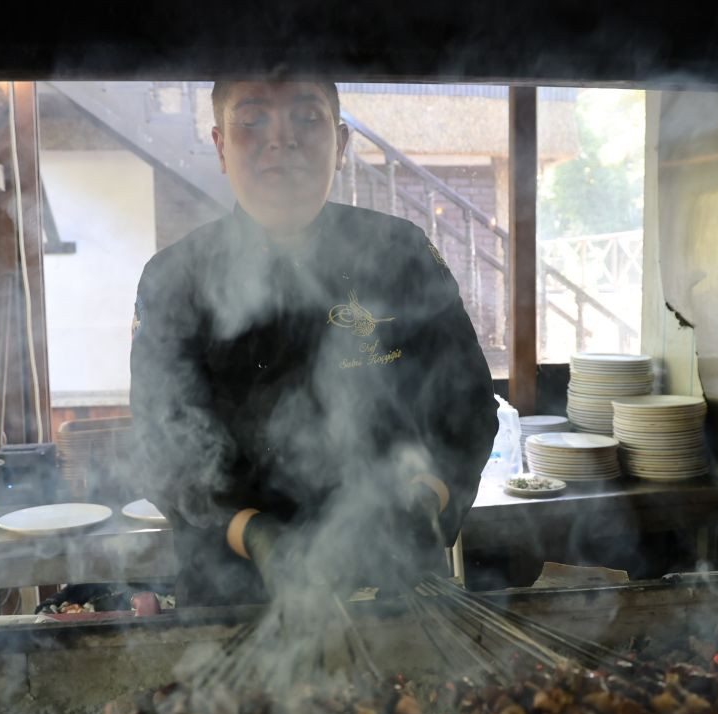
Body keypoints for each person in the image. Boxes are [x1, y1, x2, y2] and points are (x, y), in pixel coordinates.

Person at [129, 79, 497, 603]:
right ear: (220, 147)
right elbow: (161, 450)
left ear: (341, 144)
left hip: (393, 587)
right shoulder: (172, 279)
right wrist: (254, 533)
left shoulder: (401, 253)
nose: (282, 140)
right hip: (233, 598)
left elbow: (468, 407)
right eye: (252, 120)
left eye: (307, 118)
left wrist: (429, 496)